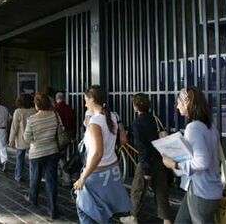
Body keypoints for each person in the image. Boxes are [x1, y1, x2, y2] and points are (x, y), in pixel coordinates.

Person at [161, 87, 222, 224]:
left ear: (187, 103)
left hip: (201, 192)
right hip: (206, 190)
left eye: (178, 102)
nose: (177, 106)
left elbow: (202, 162)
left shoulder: (193, 128)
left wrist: (174, 164)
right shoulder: (210, 126)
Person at [74, 85, 132, 223]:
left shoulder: (95, 122)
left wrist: (83, 177)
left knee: (85, 210)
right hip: (112, 170)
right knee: (106, 212)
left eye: (86, 100)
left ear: (92, 99)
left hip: (96, 174)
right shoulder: (112, 116)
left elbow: (97, 153)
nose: (85, 103)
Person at [120, 93, 172, 224]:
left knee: (137, 190)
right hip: (160, 159)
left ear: (136, 106)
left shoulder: (137, 123)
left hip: (147, 162)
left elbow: (142, 147)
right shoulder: (154, 118)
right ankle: (167, 219)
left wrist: (147, 169)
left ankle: (133, 217)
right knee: (161, 191)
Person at [23, 92, 61, 219]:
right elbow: (60, 130)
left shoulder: (32, 119)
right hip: (52, 151)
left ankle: (33, 199)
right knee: (51, 181)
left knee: (35, 178)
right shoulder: (55, 115)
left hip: (37, 153)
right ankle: (53, 209)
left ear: (37, 105)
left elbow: (27, 138)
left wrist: (35, 139)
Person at [9, 93, 36, 182]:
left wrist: (11, 140)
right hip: (33, 139)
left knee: (20, 158)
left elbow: (14, 127)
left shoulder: (18, 111)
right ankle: (33, 177)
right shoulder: (34, 110)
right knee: (32, 159)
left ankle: (19, 175)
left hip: (21, 139)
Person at [54, 91, 76, 185]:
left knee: (59, 157)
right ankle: (64, 176)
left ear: (56, 99)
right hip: (68, 135)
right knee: (62, 156)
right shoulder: (69, 108)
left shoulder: (55, 109)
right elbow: (73, 123)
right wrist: (73, 136)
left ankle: (66, 177)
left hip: (59, 137)